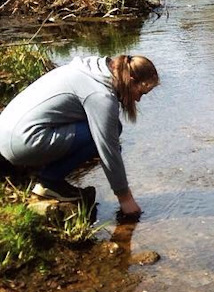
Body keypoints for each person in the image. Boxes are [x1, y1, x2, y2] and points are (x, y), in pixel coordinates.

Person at [0, 54, 158, 217]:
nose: (138, 99)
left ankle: (37, 168)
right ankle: (49, 181)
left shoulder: (91, 69)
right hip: (21, 143)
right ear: (130, 80)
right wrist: (125, 199)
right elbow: (109, 151)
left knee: (106, 131)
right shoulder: (101, 97)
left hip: (6, 135)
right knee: (108, 133)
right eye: (141, 92)